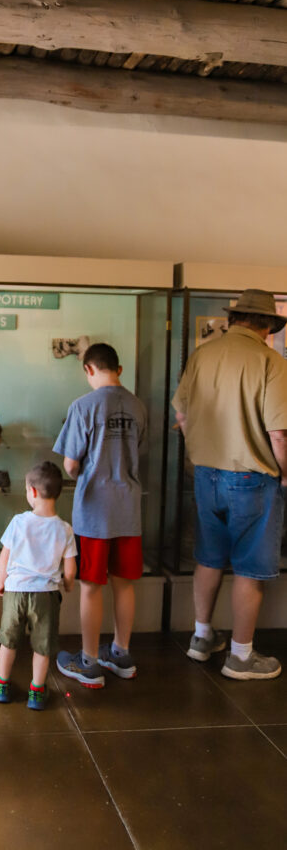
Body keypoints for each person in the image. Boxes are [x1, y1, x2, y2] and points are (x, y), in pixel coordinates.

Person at [172, 289, 287, 681]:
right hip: (252, 478)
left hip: (205, 473)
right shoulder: (270, 361)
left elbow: (182, 414)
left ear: (234, 319)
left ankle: (202, 637)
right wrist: (286, 473)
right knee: (250, 568)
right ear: (268, 325)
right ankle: (241, 656)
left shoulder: (202, 355)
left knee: (209, 557)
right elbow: (279, 433)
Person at [53, 343, 147, 689]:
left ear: (88, 369)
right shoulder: (137, 405)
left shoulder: (82, 406)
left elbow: (71, 463)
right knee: (125, 583)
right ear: (118, 368)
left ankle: (90, 662)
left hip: (94, 511)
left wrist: (80, 469)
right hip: (129, 507)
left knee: (92, 585)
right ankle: (121, 654)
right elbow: (137, 452)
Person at [0, 461, 77, 709]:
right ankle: (37, 692)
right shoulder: (65, 529)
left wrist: (1, 581)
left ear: (33, 492)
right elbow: (70, 566)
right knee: (43, 645)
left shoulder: (19, 522)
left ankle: (2, 684)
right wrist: (68, 584)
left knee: (8, 640)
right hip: (46, 595)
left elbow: (5, 555)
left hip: (15, 591)